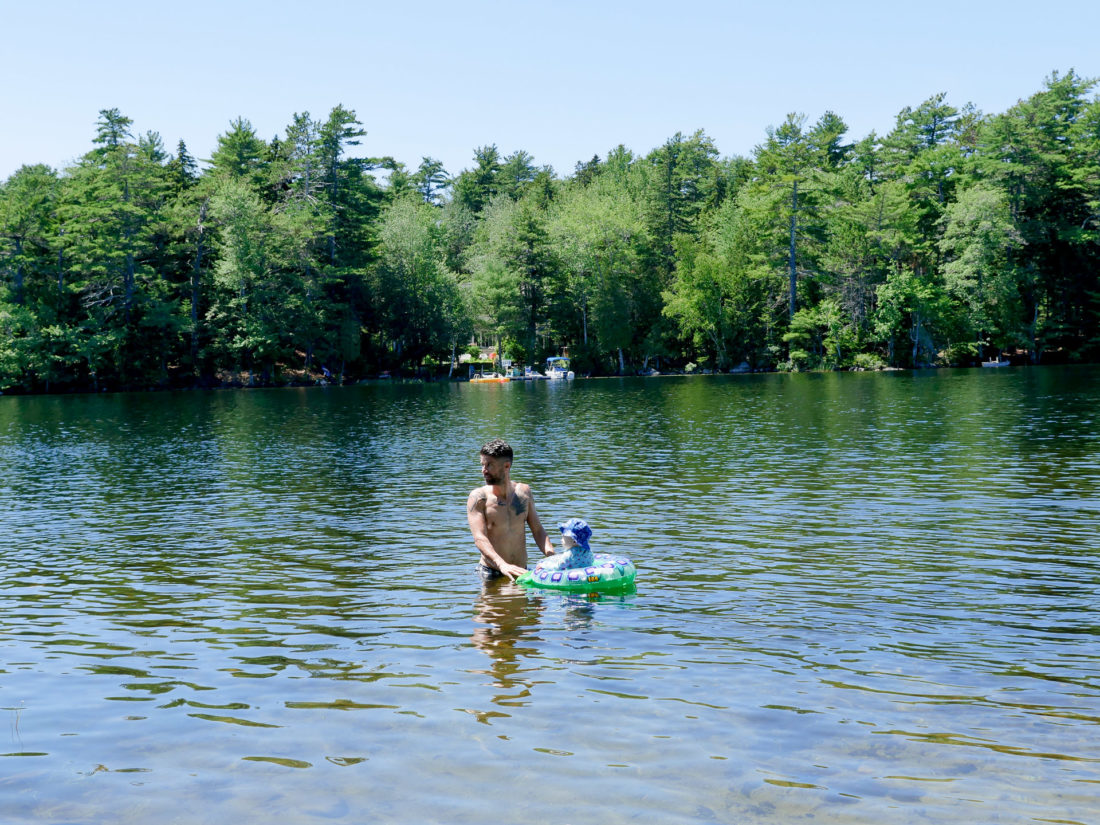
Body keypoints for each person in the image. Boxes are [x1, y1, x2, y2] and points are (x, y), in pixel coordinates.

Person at [467, 438, 555, 581]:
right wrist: (502, 565)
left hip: (521, 571)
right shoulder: (478, 498)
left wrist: (552, 557)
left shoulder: (524, 493)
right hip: (492, 573)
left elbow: (538, 530)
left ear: (506, 466)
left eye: (489, 465)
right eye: (483, 464)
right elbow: (479, 538)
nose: (484, 470)